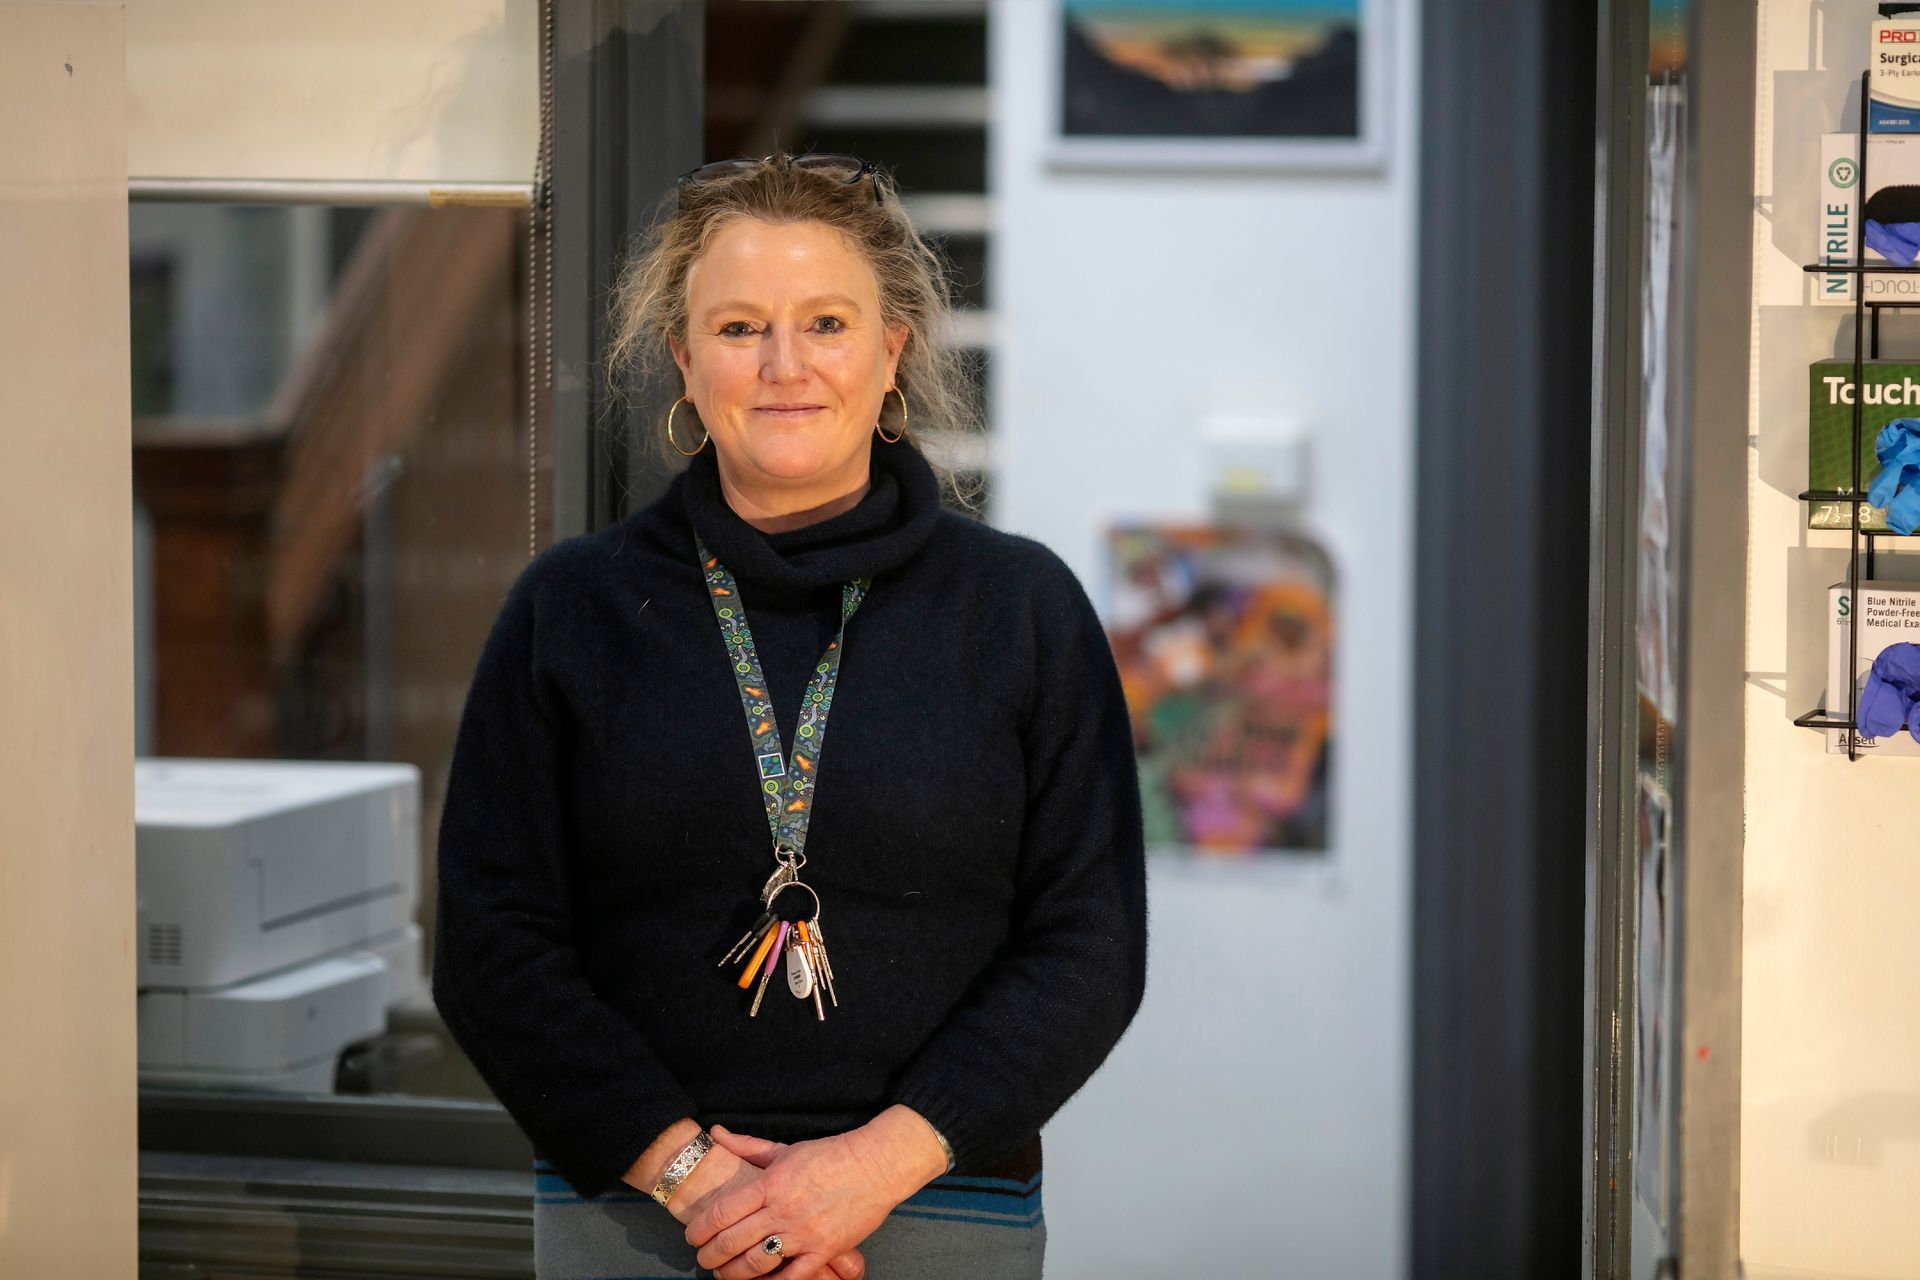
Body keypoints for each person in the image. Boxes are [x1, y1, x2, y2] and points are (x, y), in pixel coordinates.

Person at [431, 152, 1148, 1280]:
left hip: (936, 1206)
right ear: (681, 355)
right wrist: (692, 1175)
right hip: (641, 1216)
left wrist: (868, 1167)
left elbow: (1091, 946)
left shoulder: (1021, 608)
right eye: (737, 328)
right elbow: (492, 946)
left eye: (825, 321)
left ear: (893, 346)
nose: (783, 366)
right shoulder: (570, 611)